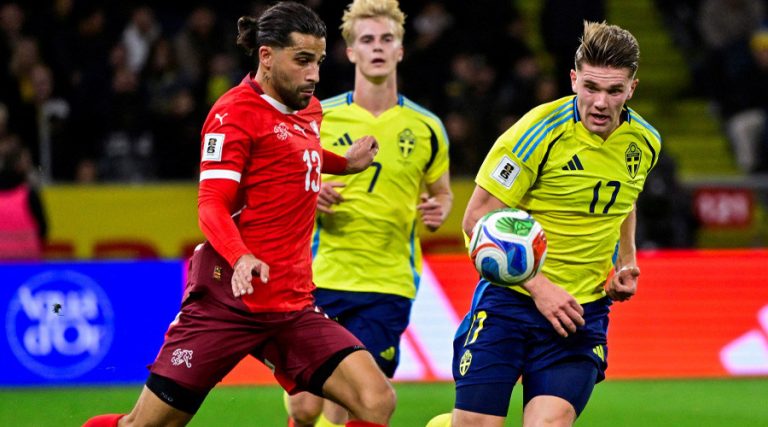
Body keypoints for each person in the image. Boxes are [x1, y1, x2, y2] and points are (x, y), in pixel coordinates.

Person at [82, 3, 395, 427]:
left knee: (376, 400)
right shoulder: (233, 115)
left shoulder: (309, 110)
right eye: (302, 60)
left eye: (319, 62)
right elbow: (211, 203)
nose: (314, 75)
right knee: (148, 425)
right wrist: (241, 255)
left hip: (291, 305)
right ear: (266, 56)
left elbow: (292, 154)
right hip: (227, 300)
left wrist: (344, 164)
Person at [428, 21, 661, 427]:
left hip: (580, 313)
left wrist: (625, 261)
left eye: (614, 91)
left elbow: (627, 197)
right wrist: (540, 288)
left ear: (632, 89)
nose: (600, 102)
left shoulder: (645, 142)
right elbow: (476, 219)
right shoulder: (536, 133)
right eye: (590, 87)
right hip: (510, 302)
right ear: (573, 80)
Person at [285, 1, 452, 426]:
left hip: (388, 284)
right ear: (351, 51)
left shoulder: (427, 127)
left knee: (362, 400)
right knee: (305, 406)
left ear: (400, 49)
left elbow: (443, 194)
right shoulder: (318, 116)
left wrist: (438, 210)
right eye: (367, 39)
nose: (377, 47)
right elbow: (280, 186)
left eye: (386, 39)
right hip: (320, 278)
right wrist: (310, 193)